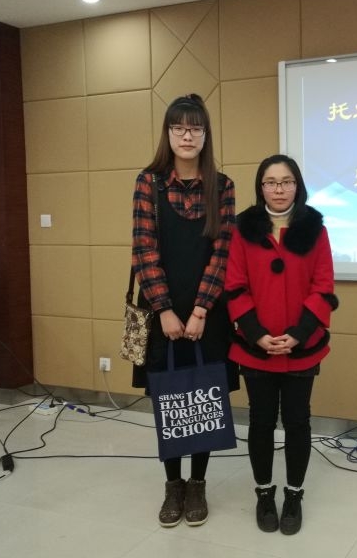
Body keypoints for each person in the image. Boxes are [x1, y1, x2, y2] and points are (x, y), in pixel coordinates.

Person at [130, 94, 237, 527]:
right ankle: (173, 484)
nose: (187, 135)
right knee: (170, 399)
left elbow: (223, 253)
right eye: (178, 127)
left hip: (207, 311)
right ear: (168, 133)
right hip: (163, 310)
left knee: (204, 396)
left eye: (195, 128)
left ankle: (198, 483)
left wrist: (200, 310)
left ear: (206, 134)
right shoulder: (148, 183)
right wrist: (165, 310)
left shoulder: (222, 186)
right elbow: (144, 249)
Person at [225, 154, 337, 535]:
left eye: (286, 181)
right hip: (255, 345)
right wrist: (256, 333)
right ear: (261, 187)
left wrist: (299, 333)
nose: (278, 189)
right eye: (271, 182)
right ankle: (263, 493)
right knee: (260, 421)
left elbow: (323, 286)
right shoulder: (243, 229)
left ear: (297, 186)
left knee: (297, 421)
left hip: (302, 346)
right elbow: (235, 285)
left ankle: (293, 495)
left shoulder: (314, 229)